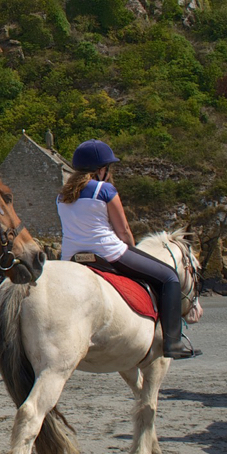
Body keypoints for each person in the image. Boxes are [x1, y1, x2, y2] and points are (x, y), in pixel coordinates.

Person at [56, 140, 199, 359]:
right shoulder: (105, 190)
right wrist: (133, 252)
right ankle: (173, 343)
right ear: (101, 170)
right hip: (108, 253)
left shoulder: (62, 196)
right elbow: (122, 231)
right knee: (170, 278)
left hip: (71, 258)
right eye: (108, 168)